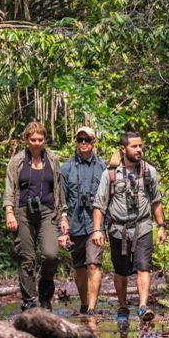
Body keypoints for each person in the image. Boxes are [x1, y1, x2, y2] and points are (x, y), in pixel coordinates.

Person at [92, 131, 166, 323]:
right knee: (121, 270)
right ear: (123, 149)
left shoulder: (149, 171)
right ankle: (123, 306)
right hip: (118, 230)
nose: (139, 149)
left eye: (140, 145)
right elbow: (99, 205)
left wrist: (162, 226)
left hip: (143, 226)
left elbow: (156, 201)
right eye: (134, 146)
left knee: (144, 266)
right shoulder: (110, 174)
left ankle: (143, 307)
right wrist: (97, 230)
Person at [3, 121, 69, 311]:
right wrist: (9, 212)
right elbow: (9, 188)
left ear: (45, 140)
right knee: (27, 258)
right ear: (26, 140)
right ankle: (29, 301)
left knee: (51, 254)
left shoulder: (53, 159)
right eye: (33, 139)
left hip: (48, 211)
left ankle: (45, 294)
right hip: (22, 211)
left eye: (40, 139)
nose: (37, 143)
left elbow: (59, 189)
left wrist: (63, 215)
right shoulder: (17, 161)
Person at [60, 126, 106, 315]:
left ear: (94, 142)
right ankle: (84, 302)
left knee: (93, 264)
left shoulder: (103, 167)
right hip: (75, 222)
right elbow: (61, 198)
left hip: (96, 224)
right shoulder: (66, 168)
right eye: (80, 140)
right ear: (76, 142)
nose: (84, 143)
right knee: (79, 267)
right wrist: (62, 225)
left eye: (87, 140)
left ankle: (93, 307)